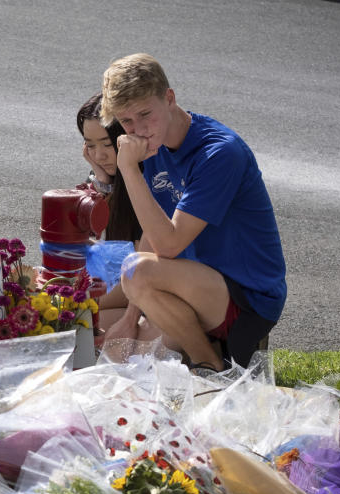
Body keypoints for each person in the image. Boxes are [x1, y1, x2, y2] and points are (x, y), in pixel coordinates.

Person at [98, 53, 286, 370]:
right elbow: (152, 233)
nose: (139, 129)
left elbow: (168, 245)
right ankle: (198, 348)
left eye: (145, 114)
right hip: (193, 286)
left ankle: (209, 364)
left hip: (247, 297)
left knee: (134, 270)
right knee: (114, 342)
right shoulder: (156, 142)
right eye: (127, 121)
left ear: (169, 99)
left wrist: (128, 169)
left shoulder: (219, 152)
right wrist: (132, 316)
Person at [76, 93, 145, 336]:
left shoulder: (145, 185)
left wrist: (78, 300)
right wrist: (102, 182)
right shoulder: (105, 181)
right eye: (90, 146)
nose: (99, 155)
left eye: (107, 144)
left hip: (144, 298)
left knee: (78, 322)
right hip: (117, 286)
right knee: (80, 326)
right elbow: (79, 239)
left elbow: (140, 271)